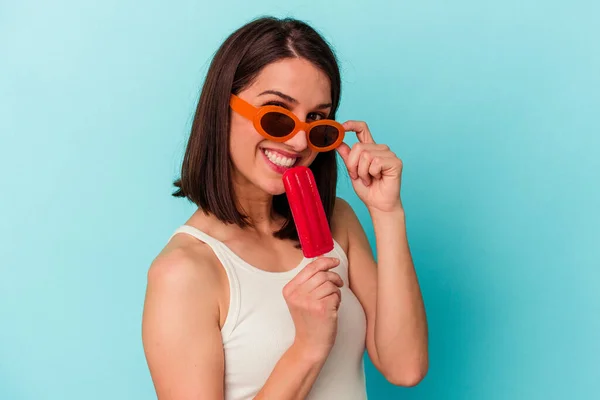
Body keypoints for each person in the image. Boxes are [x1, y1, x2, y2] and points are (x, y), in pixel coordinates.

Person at [142, 16, 428, 400]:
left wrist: (387, 214)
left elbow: (405, 368)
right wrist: (307, 349)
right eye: (277, 115)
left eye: (316, 122)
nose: (297, 142)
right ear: (222, 109)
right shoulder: (184, 272)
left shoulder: (337, 222)